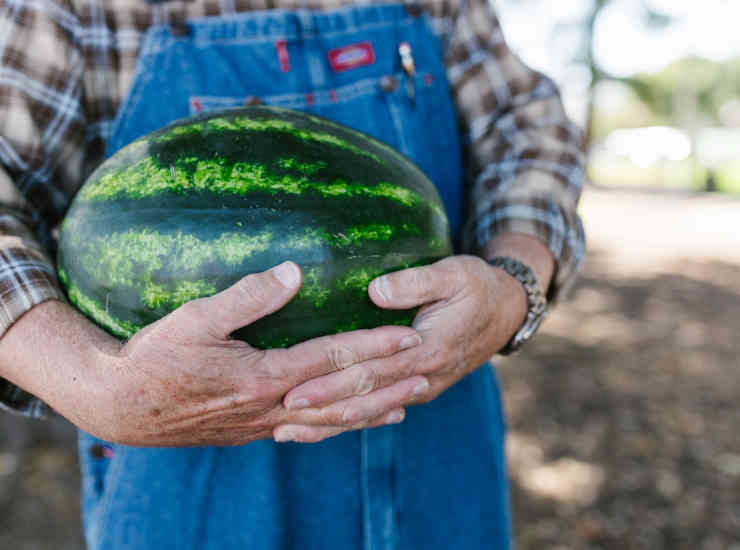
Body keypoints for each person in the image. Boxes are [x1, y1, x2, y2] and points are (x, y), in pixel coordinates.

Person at [0, 0, 585, 548]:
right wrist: (95, 381)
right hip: (190, 494)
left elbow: (528, 129)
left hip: (438, 455)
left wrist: (514, 286)